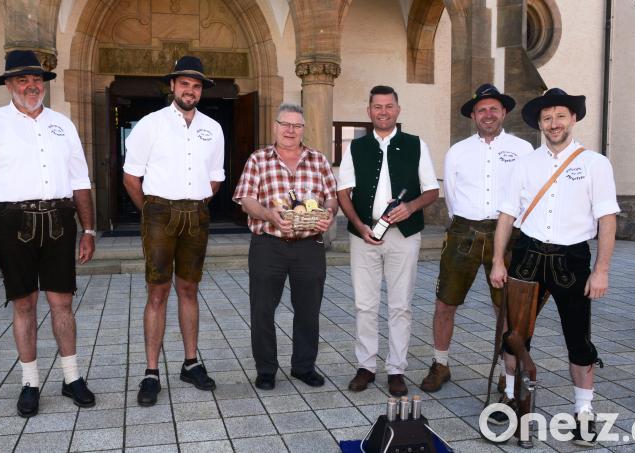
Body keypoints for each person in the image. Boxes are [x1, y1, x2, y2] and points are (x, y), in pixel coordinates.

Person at [0, 50, 96, 418]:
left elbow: (81, 181)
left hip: (58, 220)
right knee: (23, 304)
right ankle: (30, 383)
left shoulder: (62, 124)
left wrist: (89, 229)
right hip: (11, 223)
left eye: (36, 79)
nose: (31, 85)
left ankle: (72, 379)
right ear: (8, 84)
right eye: (22, 79)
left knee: (62, 303)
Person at [489, 88, 619, 446]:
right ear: (540, 124)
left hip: (572, 259)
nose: (554, 123)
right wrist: (499, 260)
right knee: (515, 338)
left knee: (578, 340)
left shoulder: (595, 163)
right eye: (547, 118)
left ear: (573, 119)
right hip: (528, 256)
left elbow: (607, 219)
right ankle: (513, 399)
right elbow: (507, 215)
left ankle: (584, 412)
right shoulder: (525, 163)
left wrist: (602, 269)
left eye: (560, 116)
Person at [122, 56, 225, 407]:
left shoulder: (213, 128)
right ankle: (151, 372)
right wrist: (152, 211)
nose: (190, 90)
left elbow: (215, 178)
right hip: (159, 211)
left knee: (189, 289)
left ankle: (190, 362)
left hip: (196, 212)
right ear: (172, 86)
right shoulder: (149, 125)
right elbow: (131, 178)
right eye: (184, 84)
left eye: (196, 86)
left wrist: (195, 202)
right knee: (157, 292)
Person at [419, 84, 533, 393]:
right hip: (463, 232)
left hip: (508, 233)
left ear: (504, 112)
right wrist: (466, 225)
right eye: (481, 109)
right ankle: (440, 363)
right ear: (473, 115)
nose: (488, 114)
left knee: (506, 309)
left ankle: (508, 370)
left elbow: (528, 194)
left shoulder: (523, 150)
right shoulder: (457, 151)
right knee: (445, 302)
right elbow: (453, 198)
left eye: (493, 108)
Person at [338, 85, 439, 397]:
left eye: (389, 106)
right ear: (369, 111)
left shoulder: (415, 144)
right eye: (377, 106)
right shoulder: (356, 147)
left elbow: (432, 190)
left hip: (405, 237)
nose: (383, 111)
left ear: (398, 109)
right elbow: (343, 192)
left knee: (400, 305)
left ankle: (396, 369)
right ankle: (366, 366)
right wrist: (357, 225)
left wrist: (410, 207)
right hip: (364, 236)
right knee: (364, 305)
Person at [233, 103, 338, 390]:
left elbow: (331, 197)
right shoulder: (258, 160)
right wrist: (269, 214)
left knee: (308, 309)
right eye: (285, 124)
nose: (291, 130)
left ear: (304, 129)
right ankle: (266, 369)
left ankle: (304, 367)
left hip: (309, 246)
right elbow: (246, 199)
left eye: (297, 125)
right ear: (275, 127)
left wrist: (329, 213)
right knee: (263, 309)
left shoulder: (318, 160)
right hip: (269, 244)